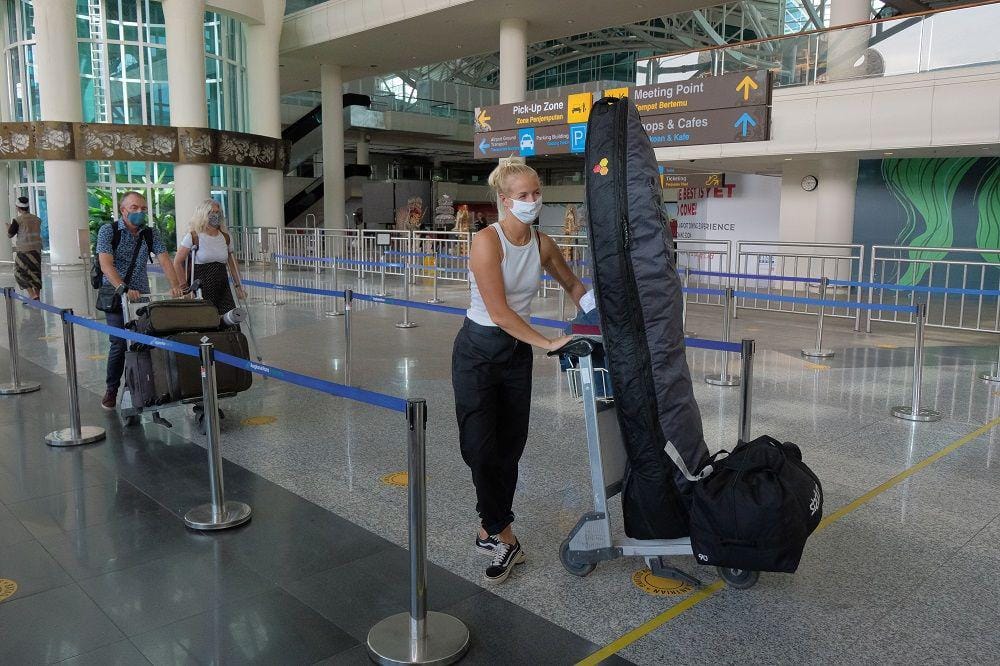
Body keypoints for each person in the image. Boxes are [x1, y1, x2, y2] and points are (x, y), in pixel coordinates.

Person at [452, 161, 595, 585]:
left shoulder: (542, 244)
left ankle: (493, 531)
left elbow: (573, 286)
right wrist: (547, 342)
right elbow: (499, 312)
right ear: (504, 200)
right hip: (478, 351)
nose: (532, 201)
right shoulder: (486, 242)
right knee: (479, 449)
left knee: (509, 447)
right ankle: (505, 534)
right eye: (523, 195)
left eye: (536, 193)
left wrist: (598, 314)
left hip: (515, 356)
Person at [97, 191, 182, 410]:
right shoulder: (109, 231)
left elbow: (164, 260)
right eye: (134, 208)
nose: (139, 212)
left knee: (143, 341)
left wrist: (175, 285)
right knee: (119, 343)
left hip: (141, 296)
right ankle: (112, 389)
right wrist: (123, 288)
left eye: (143, 209)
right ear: (123, 210)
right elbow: (106, 264)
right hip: (115, 295)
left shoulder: (150, 234)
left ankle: (139, 388)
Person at [173, 199, 246, 318]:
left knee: (229, 319)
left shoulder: (225, 237)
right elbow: (177, 261)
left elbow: (232, 264)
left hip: (222, 287)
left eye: (218, 212)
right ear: (203, 214)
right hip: (201, 288)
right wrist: (185, 288)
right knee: (206, 320)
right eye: (211, 212)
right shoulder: (193, 236)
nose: (215, 215)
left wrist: (239, 287)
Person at [5, 196, 43, 301]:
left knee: (19, 273)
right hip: (36, 250)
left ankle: (32, 295)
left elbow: (10, 235)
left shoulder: (18, 220)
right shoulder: (37, 219)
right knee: (35, 273)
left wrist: (8, 227)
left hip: (24, 251)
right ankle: (37, 296)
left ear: (18, 207)